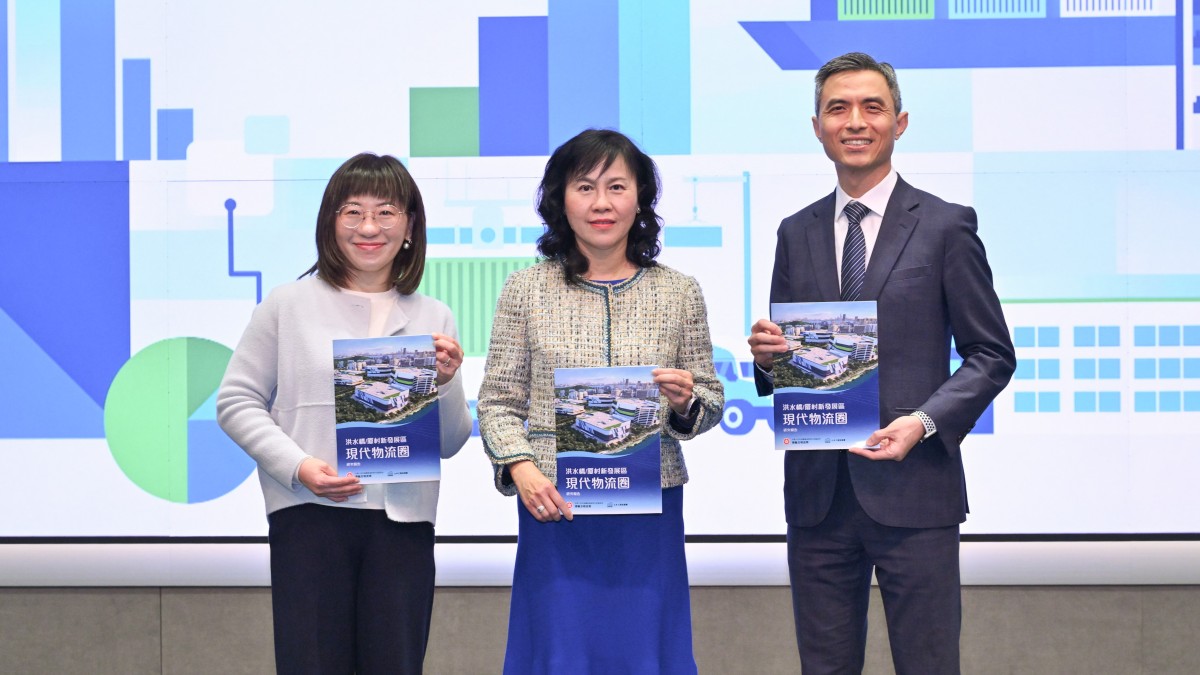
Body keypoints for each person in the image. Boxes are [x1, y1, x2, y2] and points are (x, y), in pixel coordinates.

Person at [747, 53, 1016, 674]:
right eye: (837, 108)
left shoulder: (945, 225)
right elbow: (788, 363)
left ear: (900, 122)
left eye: (872, 107)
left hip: (916, 488)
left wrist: (924, 421)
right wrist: (766, 359)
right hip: (817, 496)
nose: (855, 122)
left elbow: (991, 354)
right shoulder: (795, 230)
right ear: (817, 127)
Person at [477, 129, 724, 675]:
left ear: (640, 198)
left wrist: (685, 402)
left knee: (645, 650)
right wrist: (520, 467)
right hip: (554, 507)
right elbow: (496, 402)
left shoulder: (679, 291)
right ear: (561, 200)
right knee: (560, 652)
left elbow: (709, 397)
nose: (601, 203)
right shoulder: (525, 289)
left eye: (616, 186)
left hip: (649, 512)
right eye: (585, 187)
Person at [217, 153, 472, 674]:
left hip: (402, 526)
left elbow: (449, 441)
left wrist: (445, 384)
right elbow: (236, 401)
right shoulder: (287, 304)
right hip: (310, 517)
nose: (369, 228)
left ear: (410, 227)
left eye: (386, 212)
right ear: (330, 222)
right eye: (352, 212)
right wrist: (297, 466)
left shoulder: (433, 314)